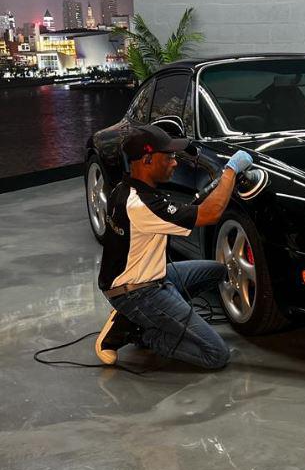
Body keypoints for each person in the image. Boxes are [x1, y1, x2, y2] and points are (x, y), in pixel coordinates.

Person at [95, 123, 253, 369]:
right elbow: (210, 214)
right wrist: (230, 171)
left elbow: (182, 210)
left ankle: (147, 317)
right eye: (168, 157)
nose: (175, 163)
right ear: (147, 160)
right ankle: (141, 333)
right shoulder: (141, 205)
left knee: (218, 271)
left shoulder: (123, 189)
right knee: (216, 354)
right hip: (137, 293)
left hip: (154, 276)